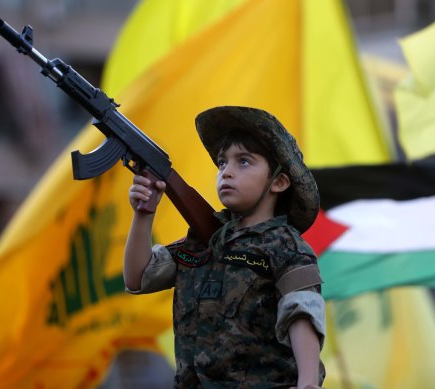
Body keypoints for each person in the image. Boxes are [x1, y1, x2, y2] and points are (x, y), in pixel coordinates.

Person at [124, 106, 326, 388]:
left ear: (278, 181)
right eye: (222, 163)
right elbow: (138, 277)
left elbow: (302, 311)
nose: (226, 172)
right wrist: (143, 214)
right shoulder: (203, 239)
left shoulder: (286, 245)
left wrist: (308, 384)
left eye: (243, 162)